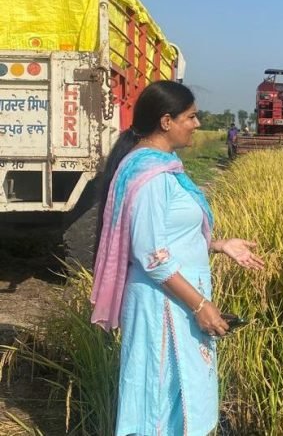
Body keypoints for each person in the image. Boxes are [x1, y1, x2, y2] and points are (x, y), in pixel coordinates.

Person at [89, 81, 264, 436]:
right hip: (163, 304)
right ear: (166, 121)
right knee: (159, 403)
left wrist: (218, 245)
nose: (197, 124)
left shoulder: (163, 166)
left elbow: (164, 236)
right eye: (191, 117)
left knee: (174, 398)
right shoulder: (151, 176)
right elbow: (152, 255)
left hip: (176, 298)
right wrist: (200, 305)